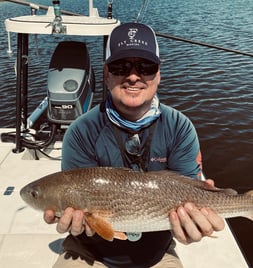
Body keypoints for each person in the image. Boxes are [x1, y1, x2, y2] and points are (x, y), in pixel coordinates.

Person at [44, 22, 224, 268]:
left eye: (146, 67)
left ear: (158, 75)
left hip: (157, 253)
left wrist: (192, 226)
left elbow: (188, 192)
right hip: (88, 251)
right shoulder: (81, 131)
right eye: (120, 66)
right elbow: (85, 217)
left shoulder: (179, 127)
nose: (133, 76)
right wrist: (79, 224)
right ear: (106, 74)